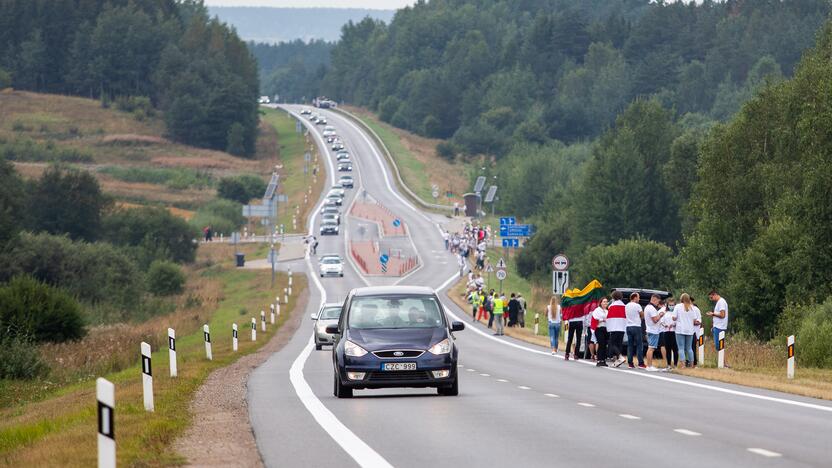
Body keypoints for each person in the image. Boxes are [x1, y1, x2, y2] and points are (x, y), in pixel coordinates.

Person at [674, 293, 701, 368]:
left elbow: (674, 317)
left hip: (680, 329)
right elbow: (695, 319)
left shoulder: (678, 306)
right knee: (689, 348)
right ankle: (692, 364)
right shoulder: (692, 308)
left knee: (681, 348)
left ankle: (683, 365)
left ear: (681, 299)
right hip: (690, 330)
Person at [707, 289, 729, 367]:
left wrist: (713, 314)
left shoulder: (721, 302)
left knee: (719, 345)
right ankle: (723, 362)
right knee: (719, 345)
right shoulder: (719, 302)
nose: (711, 299)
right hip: (717, 326)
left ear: (715, 294)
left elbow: (722, 315)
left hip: (720, 327)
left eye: (711, 297)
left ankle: (724, 363)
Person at [644, 294, 665, 371]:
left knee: (650, 348)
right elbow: (655, 320)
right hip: (653, 330)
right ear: (654, 299)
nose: (658, 303)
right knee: (651, 348)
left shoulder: (647, 307)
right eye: (658, 302)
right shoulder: (651, 308)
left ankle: (649, 365)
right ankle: (649, 366)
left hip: (650, 329)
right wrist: (661, 315)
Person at [606, 290, 627, 367]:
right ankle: (618, 360)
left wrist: (608, 328)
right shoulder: (624, 306)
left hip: (614, 327)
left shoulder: (611, 306)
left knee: (612, 343)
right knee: (619, 344)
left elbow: (609, 318)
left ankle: (620, 357)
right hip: (622, 327)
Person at [625, 292, 645, 368]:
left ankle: (630, 363)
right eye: (638, 297)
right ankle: (641, 363)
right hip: (636, 326)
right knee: (639, 345)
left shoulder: (626, 306)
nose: (639, 299)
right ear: (635, 298)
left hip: (628, 326)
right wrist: (640, 318)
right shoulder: (637, 305)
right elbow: (642, 314)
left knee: (630, 345)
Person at [659, 298, 678, 369]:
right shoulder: (665, 313)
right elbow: (661, 322)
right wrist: (665, 325)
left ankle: (675, 364)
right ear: (667, 305)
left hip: (674, 332)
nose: (671, 306)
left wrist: (673, 324)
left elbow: (678, 321)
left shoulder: (676, 313)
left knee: (675, 349)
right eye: (670, 305)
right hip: (666, 332)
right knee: (668, 349)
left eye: (672, 305)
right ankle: (669, 364)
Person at [591, 297, 609, 367]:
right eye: (604, 302)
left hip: (605, 329)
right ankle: (599, 360)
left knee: (604, 345)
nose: (605, 303)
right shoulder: (597, 310)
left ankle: (603, 360)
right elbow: (595, 320)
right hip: (599, 329)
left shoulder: (607, 311)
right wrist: (602, 320)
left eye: (606, 302)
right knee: (601, 343)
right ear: (601, 303)